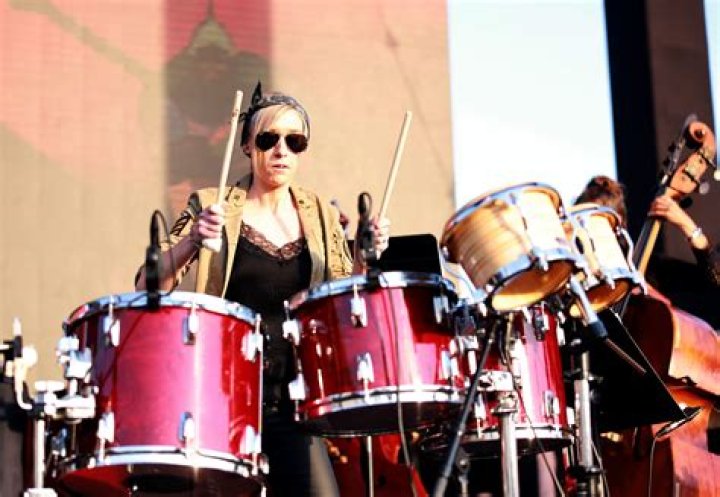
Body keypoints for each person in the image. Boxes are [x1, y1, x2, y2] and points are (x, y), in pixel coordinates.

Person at [136, 82, 390, 497]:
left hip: (295, 398)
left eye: (294, 141)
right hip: (224, 397)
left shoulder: (321, 214)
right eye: (269, 139)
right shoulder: (210, 204)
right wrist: (192, 240)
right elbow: (147, 283)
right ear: (247, 147)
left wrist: (365, 256)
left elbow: (345, 300)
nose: (281, 150)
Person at [575, 175, 720, 286]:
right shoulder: (572, 274)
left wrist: (687, 225)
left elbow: (715, 276)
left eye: (600, 222)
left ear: (617, 227)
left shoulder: (649, 269)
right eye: (582, 222)